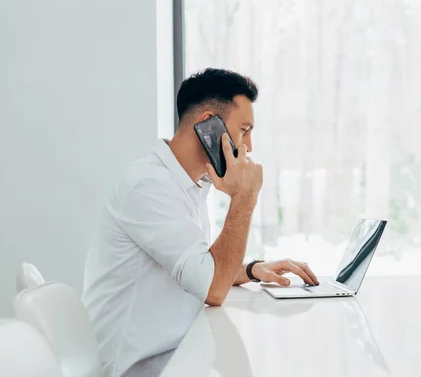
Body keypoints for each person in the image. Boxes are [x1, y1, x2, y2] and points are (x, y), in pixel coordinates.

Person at [82, 68, 320, 377]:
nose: (250, 146)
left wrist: (251, 269)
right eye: (244, 130)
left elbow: (199, 268)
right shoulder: (149, 186)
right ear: (208, 124)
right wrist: (245, 197)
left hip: (175, 358)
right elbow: (213, 289)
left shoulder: (187, 184)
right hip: (138, 369)